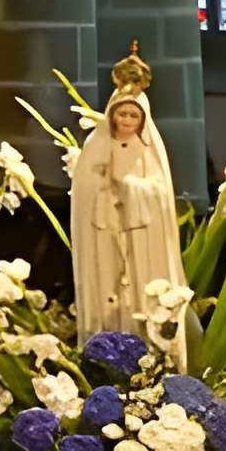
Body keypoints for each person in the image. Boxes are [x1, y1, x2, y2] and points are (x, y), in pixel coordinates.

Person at [68, 45, 185, 336]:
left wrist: (130, 186)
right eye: (123, 115)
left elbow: (160, 196)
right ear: (112, 116)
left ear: (143, 120)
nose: (128, 121)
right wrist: (103, 188)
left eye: (134, 116)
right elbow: (84, 190)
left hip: (141, 239)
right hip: (106, 231)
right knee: (108, 288)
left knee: (139, 294)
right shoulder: (97, 149)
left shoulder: (149, 152)